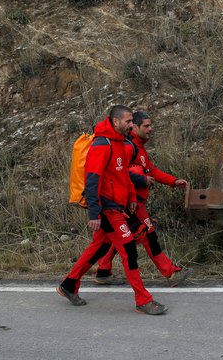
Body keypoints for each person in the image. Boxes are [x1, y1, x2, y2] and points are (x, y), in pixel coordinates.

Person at [56, 105, 167, 315]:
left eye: (132, 121)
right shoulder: (102, 144)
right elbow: (92, 181)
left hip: (119, 207)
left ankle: (69, 285)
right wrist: (94, 214)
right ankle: (143, 300)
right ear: (115, 122)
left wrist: (132, 198)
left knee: (98, 248)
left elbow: (123, 176)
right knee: (129, 251)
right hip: (107, 209)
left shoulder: (120, 143)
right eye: (128, 121)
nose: (131, 125)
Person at [95, 111, 194, 287]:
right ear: (135, 127)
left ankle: (102, 271)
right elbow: (118, 173)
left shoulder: (138, 147)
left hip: (126, 204)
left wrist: (173, 181)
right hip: (130, 204)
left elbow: (152, 170)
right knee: (149, 236)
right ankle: (170, 272)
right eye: (146, 126)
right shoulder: (128, 146)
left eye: (151, 125)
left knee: (109, 239)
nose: (151, 129)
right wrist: (141, 180)